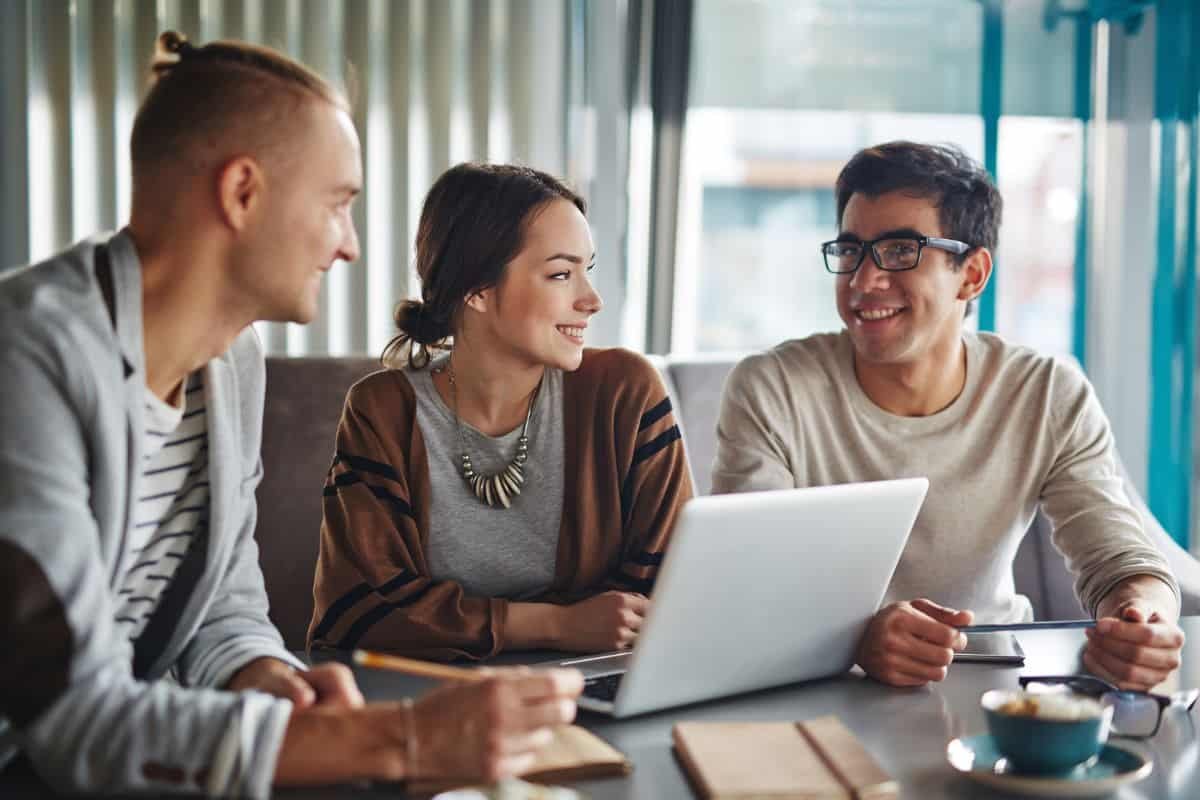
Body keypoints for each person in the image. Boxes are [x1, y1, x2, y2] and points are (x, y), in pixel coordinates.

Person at [0, 32, 580, 797]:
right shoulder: (26, 359)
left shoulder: (231, 360)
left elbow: (223, 609)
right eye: (338, 205)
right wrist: (401, 738)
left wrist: (266, 676)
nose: (349, 246)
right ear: (242, 193)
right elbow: (73, 716)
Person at [712, 141, 1183, 691]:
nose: (864, 282)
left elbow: (1121, 559)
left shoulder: (1045, 393)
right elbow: (745, 588)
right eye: (851, 251)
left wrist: (1141, 618)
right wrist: (854, 638)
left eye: (898, 250)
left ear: (973, 274)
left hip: (1001, 684)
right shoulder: (772, 389)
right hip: (822, 685)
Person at [310, 163, 694, 660]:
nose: (591, 300)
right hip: (436, 694)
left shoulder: (625, 393)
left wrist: (452, 620)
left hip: (592, 682)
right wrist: (558, 623)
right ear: (477, 290)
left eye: (587, 270)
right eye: (561, 274)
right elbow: (358, 610)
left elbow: (666, 593)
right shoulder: (383, 412)